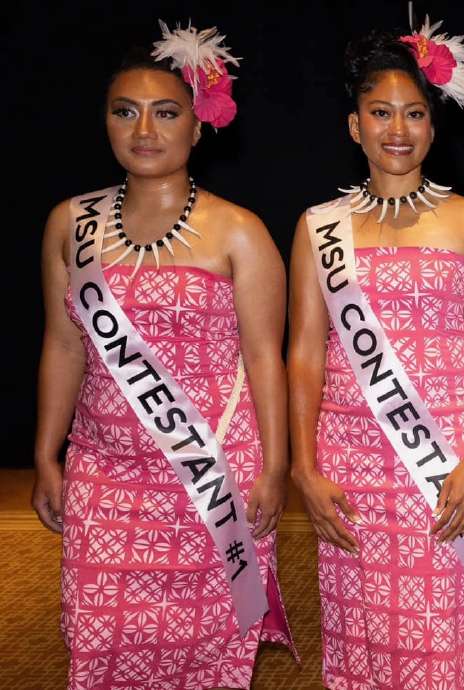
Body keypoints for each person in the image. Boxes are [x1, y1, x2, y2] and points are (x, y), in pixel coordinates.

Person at [32, 21, 293, 689]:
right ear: (107, 123)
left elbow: (267, 359)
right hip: (104, 476)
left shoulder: (240, 231)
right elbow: (63, 343)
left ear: (197, 126)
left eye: (166, 112)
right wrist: (45, 452)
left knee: (207, 652)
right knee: (100, 640)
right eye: (126, 112)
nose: (144, 129)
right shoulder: (72, 223)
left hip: (213, 478)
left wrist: (275, 467)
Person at [287, 19, 464, 690]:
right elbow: (304, 350)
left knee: (438, 637)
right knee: (356, 634)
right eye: (381, 113)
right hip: (348, 462)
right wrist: (304, 467)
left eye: (415, 114)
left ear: (434, 125)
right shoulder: (317, 228)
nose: (398, 128)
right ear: (354, 126)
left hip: (441, 462)